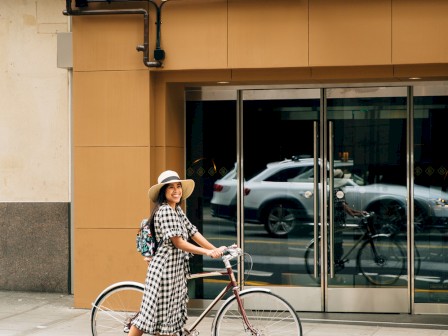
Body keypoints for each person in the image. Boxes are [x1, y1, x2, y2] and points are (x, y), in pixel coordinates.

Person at [129, 170, 226, 336]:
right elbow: (179, 243)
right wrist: (208, 253)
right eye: (171, 187)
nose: (176, 191)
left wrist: (214, 249)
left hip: (175, 272)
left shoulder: (177, 210)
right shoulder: (165, 210)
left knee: (168, 320)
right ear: (163, 192)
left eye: (178, 186)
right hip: (164, 272)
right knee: (148, 318)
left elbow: (193, 231)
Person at [333, 169, 367, 265]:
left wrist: (359, 212)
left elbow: (346, 207)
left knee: (338, 244)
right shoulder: (338, 191)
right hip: (335, 222)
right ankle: (335, 263)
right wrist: (357, 213)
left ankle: (335, 262)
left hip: (337, 222)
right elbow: (347, 209)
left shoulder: (337, 190)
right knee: (337, 245)